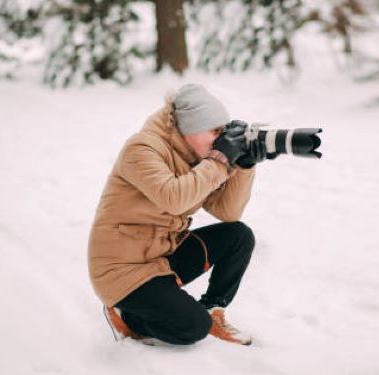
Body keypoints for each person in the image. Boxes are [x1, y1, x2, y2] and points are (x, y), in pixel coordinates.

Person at [88, 84, 264, 346]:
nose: (219, 140)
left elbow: (227, 212)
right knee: (193, 329)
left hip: (161, 255)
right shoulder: (141, 149)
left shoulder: (196, 157)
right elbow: (174, 197)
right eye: (214, 132)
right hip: (122, 271)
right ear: (190, 128)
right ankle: (129, 316)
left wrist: (244, 166)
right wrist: (217, 161)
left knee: (238, 235)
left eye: (222, 133)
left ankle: (212, 310)